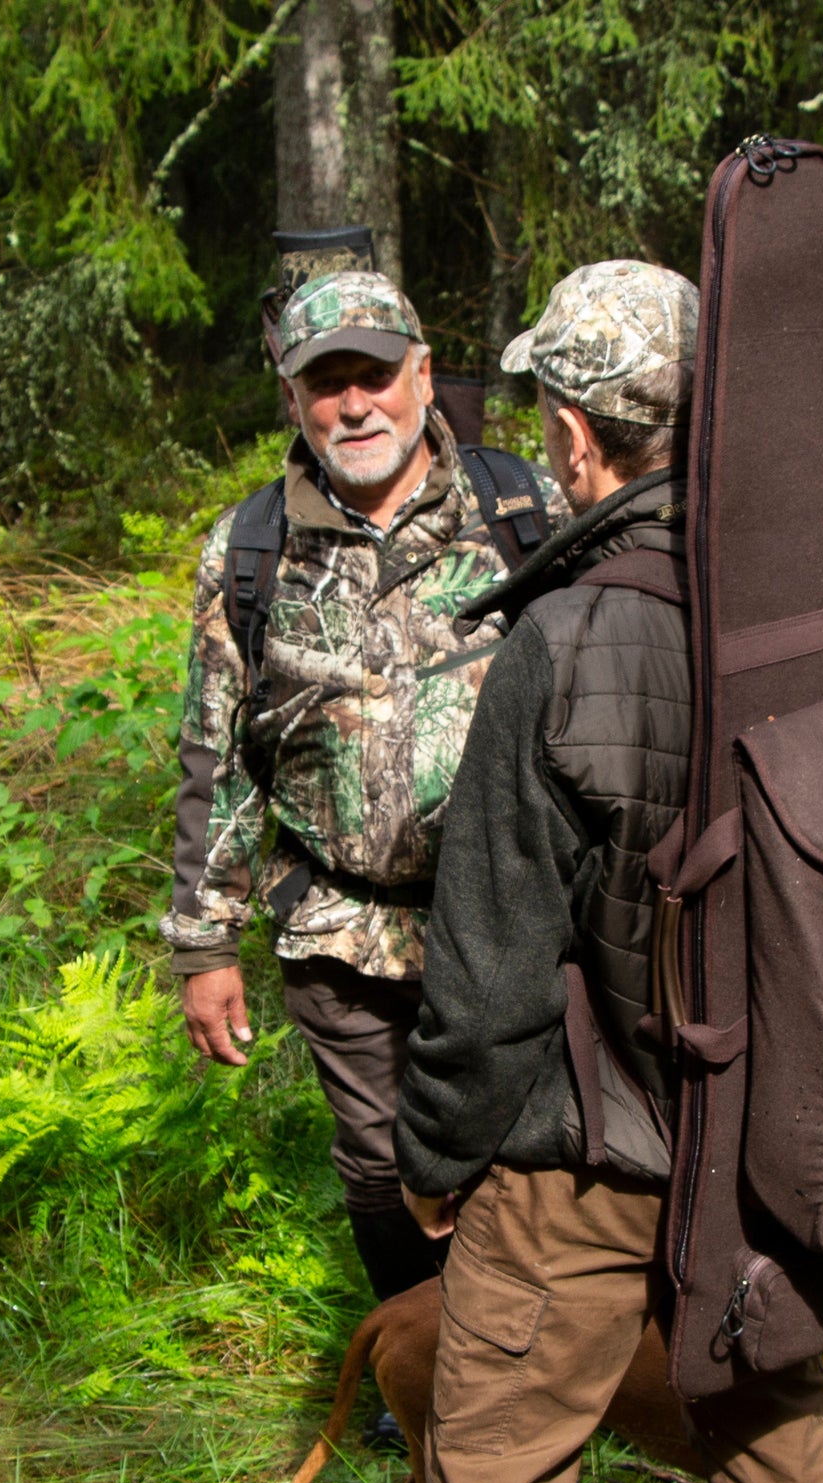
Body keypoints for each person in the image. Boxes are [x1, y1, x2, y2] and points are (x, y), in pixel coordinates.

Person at [393, 259, 823, 1483]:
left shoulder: (557, 643)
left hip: (576, 1166)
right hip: (780, 1152)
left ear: (577, 434)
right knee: (778, 1426)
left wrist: (434, 1157)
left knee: (495, 1476)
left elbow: (487, 975)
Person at [161, 269, 564, 1303]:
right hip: (340, 929)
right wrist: (206, 939)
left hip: (512, 920)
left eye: (374, 375)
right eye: (325, 381)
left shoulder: (524, 505)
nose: (354, 404)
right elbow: (217, 754)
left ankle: (538, 1366)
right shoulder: (248, 550)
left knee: (531, 1145)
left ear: (422, 376)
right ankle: (415, 1359)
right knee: (383, 1164)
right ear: (292, 399)